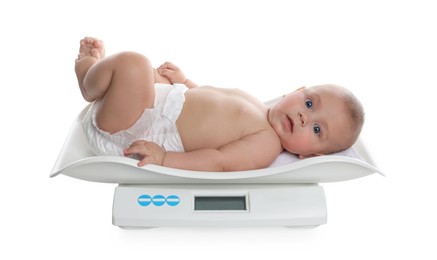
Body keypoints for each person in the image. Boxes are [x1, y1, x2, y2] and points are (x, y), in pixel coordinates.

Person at [75, 37, 364, 172]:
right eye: (310, 103)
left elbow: (219, 161)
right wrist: (185, 83)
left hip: (141, 128)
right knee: (150, 75)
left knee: (134, 64)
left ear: (310, 157)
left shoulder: (266, 144)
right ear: (298, 90)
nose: (304, 117)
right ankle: (99, 78)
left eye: (316, 129)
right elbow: (211, 101)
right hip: (163, 104)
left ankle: (88, 73)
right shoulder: (259, 107)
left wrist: (166, 159)